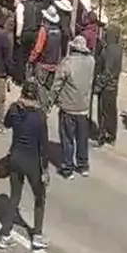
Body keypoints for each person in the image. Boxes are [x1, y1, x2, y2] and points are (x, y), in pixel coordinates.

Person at [0, 81, 50, 251]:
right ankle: (37, 235)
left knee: (14, 197)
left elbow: (6, 124)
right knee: (39, 198)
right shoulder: (40, 117)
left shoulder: (14, 109)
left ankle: (5, 234)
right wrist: (45, 170)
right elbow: (43, 146)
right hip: (32, 162)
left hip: (15, 157)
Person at [51, 36, 95, 179]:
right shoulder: (91, 62)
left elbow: (57, 84)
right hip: (83, 106)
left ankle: (67, 167)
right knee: (82, 138)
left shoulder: (67, 63)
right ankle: (83, 165)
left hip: (68, 107)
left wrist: (51, 100)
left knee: (67, 138)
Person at [93, 24, 123, 147]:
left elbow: (107, 72)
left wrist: (98, 86)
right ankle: (111, 134)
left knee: (103, 112)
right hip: (113, 86)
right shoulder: (118, 48)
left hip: (107, 87)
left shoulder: (110, 50)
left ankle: (102, 135)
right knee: (111, 112)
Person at [29, 5, 64, 107]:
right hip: (54, 64)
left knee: (40, 87)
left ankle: (42, 108)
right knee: (48, 88)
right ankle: (47, 106)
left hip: (43, 63)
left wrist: (31, 58)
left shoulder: (44, 30)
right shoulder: (58, 31)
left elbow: (38, 48)